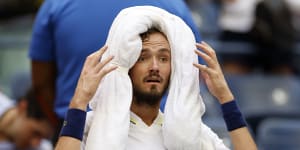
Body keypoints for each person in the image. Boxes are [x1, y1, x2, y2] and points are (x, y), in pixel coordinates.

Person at [55, 6, 257, 149]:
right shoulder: (91, 125)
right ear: (127, 66)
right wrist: (79, 101)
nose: (154, 67)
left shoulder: (192, 135)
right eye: (143, 58)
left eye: (163, 58)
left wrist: (225, 98)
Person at [29, 0, 202, 141]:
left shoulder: (56, 5)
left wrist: (65, 122)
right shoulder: (174, 5)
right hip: (161, 129)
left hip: (75, 126)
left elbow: (41, 83)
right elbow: (192, 72)